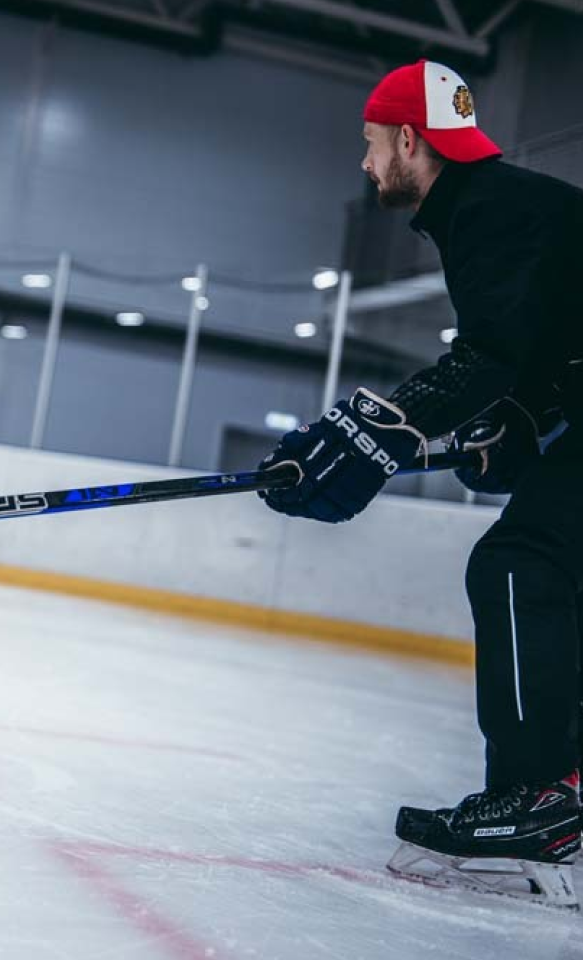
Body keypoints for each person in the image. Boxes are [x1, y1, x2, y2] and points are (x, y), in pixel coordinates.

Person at [258, 59, 583, 907]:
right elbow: (542, 345)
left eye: (370, 145)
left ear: (410, 139)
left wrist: (369, 431)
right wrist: (519, 417)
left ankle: (537, 804)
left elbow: (489, 354)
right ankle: (557, 796)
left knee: (520, 564)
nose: (365, 166)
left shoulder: (488, 210)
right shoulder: (505, 209)